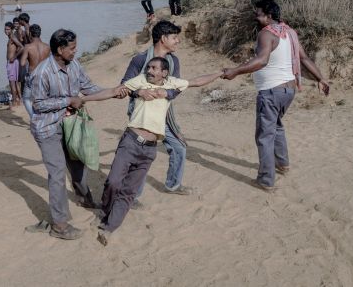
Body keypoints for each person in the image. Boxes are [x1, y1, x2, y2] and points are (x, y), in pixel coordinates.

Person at [85, 57, 222, 245]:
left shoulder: (173, 84)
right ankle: (105, 212)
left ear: (164, 73)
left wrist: (221, 72)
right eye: (148, 67)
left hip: (149, 150)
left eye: (154, 68)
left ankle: (109, 228)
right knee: (113, 182)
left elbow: (197, 81)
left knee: (129, 192)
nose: (149, 71)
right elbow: (116, 90)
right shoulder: (139, 81)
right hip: (130, 141)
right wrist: (83, 99)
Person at [26, 29, 126, 240]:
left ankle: (84, 199)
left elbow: (89, 88)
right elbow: (38, 104)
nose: (75, 50)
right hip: (47, 128)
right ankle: (60, 226)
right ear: (60, 49)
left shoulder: (75, 65)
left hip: (70, 124)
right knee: (58, 174)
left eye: (75, 46)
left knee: (77, 163)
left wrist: (112, 92)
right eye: (71, 48)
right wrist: (68, 101)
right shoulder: (42, 73)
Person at [221, 0, 330, 191]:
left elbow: (262, 61)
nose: (256, 16)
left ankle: (266, 179)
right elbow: (303, 58)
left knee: (264, 136)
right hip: (288, 91)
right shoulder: (289, 32)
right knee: (276, 126)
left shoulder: (266, 34)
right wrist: (321, 79)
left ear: (269, 16)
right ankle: (282, 164)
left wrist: (235, 71)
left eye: (259, 13)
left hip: (272, 91)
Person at [122, 20, 191, 202]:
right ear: (163, 39)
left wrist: (166, 92)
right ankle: (133, 196)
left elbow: (177, 88)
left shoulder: (173, 61)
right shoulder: (140, 59)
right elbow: (123, 87)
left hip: (164, 116)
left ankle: (173, 184)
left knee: (179, 147)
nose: (178, 41)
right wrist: (140, 92)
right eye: (174, 37)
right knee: (141, 155)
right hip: (142, 116)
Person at [19, 24, 50, 118]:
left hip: (32, 74)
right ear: (39, 34)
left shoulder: (28, 47)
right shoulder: (47, 46)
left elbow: (22, 63)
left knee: (26, 99)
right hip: (45, 74)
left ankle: (34, 117)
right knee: (43, 97)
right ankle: (45, 116)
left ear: (30, 34)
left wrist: (29, 58)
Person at [4, 22, 23, 107]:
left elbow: (21, 47)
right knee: (14, 82)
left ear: (11, 30)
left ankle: (15, 102)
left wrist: (14, 57)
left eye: (8, 29)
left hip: (12, 62)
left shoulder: (12, 37)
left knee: (12, 82)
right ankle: (18, 100)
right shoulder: (10, 38)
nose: (6, 31)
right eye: (5, 29)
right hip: (12, 62)